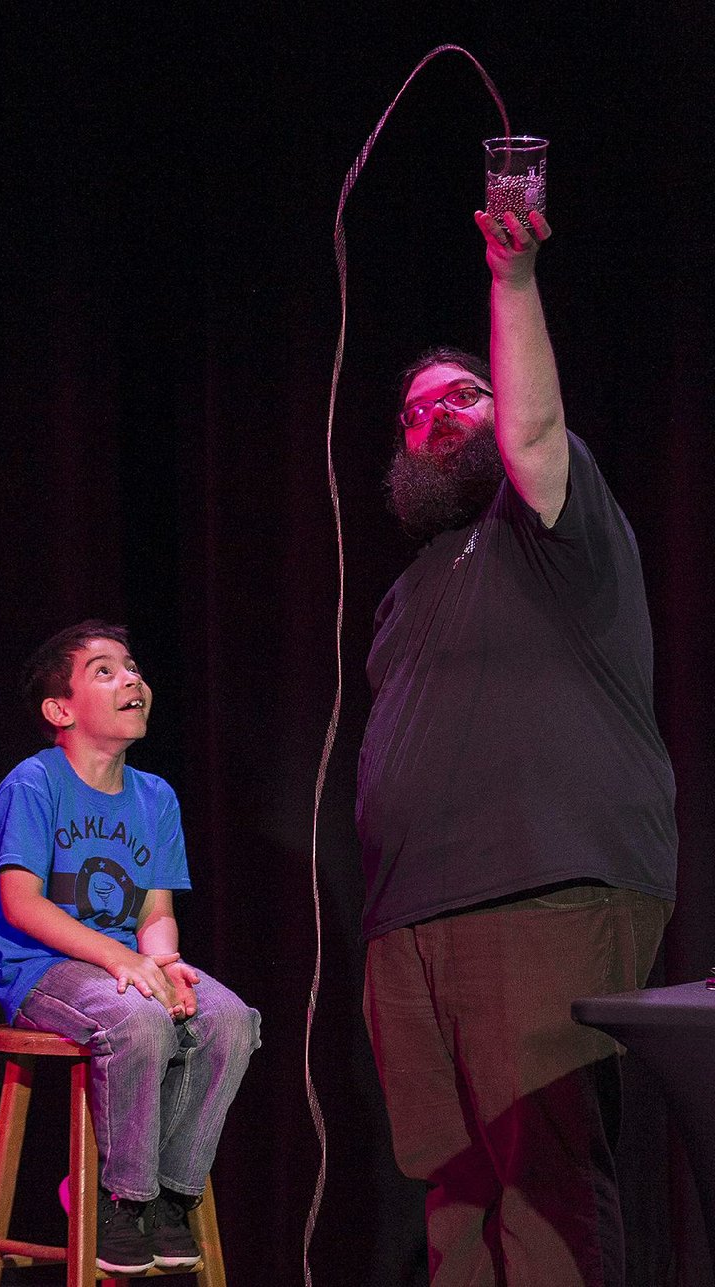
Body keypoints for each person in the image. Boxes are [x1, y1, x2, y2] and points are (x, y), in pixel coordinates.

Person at [357, 210, 677, 1286]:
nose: (434, 417)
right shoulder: (409, 591)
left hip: (541, 891)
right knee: (453, 1196)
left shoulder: (552, 525)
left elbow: (535, 437)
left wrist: (511, 274)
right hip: (412, 924)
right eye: (413, 412)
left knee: (543, 1192)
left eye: (462, 396)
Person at [0, 620, 260, 1275]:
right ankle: (120, 1201)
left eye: (132, 666)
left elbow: (155, 912)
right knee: (138, 1018)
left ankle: (168, 1194)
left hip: (123, 964)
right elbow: (22, 903)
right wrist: (123, 962)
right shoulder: (34, 783)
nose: (131, 677)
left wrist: (162, 960)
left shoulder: (155, 796)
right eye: (104, 670)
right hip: (44, 970)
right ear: (61, 709)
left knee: (227, 1017)